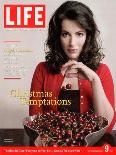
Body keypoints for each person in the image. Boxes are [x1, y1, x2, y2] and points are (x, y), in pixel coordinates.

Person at [29, 1, 115, 133]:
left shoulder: (102, 71)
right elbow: (35, 122)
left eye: (79, 34)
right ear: (58, 36)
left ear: (88, 36)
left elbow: (107, 128)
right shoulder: (42, 70)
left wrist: (94, 80)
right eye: (65, 34)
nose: (72, 43)